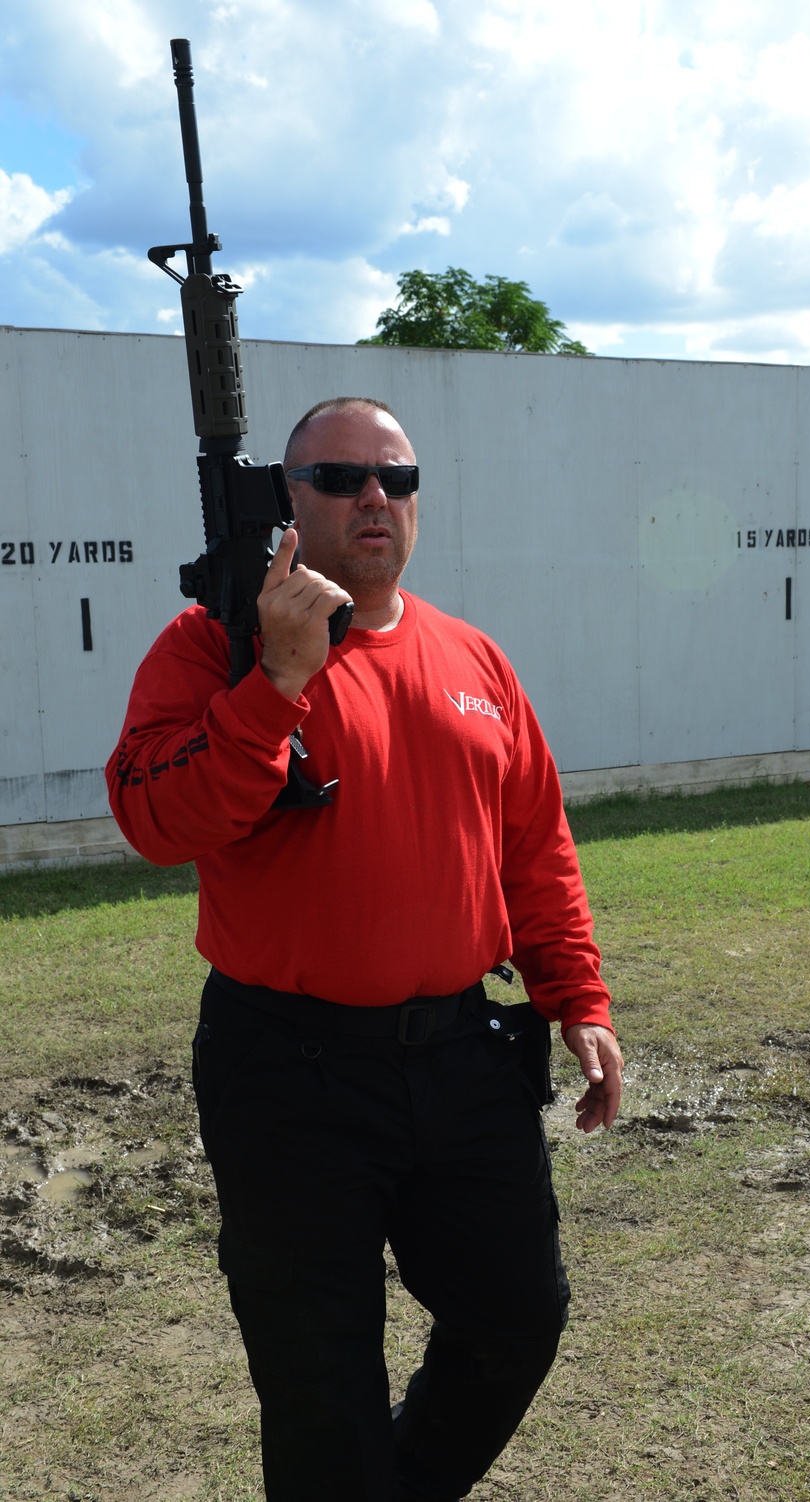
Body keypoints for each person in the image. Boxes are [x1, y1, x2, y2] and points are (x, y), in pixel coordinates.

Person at [106, 396, 623, 1502]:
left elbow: (532, 842)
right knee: (317, 1374)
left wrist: (575, 993)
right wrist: (277, 681)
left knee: (515, 1317)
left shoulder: (472, 656)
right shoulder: (211, 646)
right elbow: (158, 821)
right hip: (287, 1068)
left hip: (463, 1056)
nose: (374, 497)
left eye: (396, 477)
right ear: (283, 501)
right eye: (339, 478)